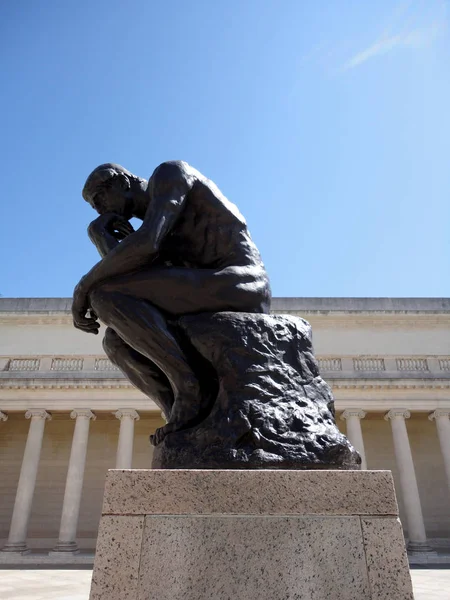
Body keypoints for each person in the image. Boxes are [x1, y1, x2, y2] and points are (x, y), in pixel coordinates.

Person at [72, 160, 271, 444]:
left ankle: (190, 387)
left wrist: (83, 287)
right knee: (116, 342)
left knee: (102, 296)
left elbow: (146, 246)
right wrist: (100, 236)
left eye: (99, 200)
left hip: (239, 282)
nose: (101, 210)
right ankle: (180, 415)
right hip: (203, 286)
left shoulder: (170, 175)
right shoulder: (155, 223)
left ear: (121, 182)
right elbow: (134, 276)